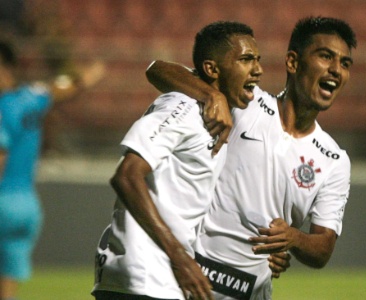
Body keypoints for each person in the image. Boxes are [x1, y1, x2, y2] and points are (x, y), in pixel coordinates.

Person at [146, 16, 356, 299]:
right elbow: (157, 70)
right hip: (190, 282)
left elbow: (323, 248)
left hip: (251, 292)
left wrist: (293, 238)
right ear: (293, 62)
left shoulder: (334, 160)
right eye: (326, 56)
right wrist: (212, 96)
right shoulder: (246, 103)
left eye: (344, 63)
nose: (336, 70)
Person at [91, 21, 265, 300]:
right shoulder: (180, 107)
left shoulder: (228, 111)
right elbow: (126, 176)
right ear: (212, 69)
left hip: (159, 277)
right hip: (146, 274)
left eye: (258, 60)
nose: (258, 69)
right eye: (246, 59)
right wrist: (179, 258)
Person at [0, 39, 104, 300]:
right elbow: (64, 88)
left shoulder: (2, 108)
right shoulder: (32, 98)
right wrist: (90, 75)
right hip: (26, 206)